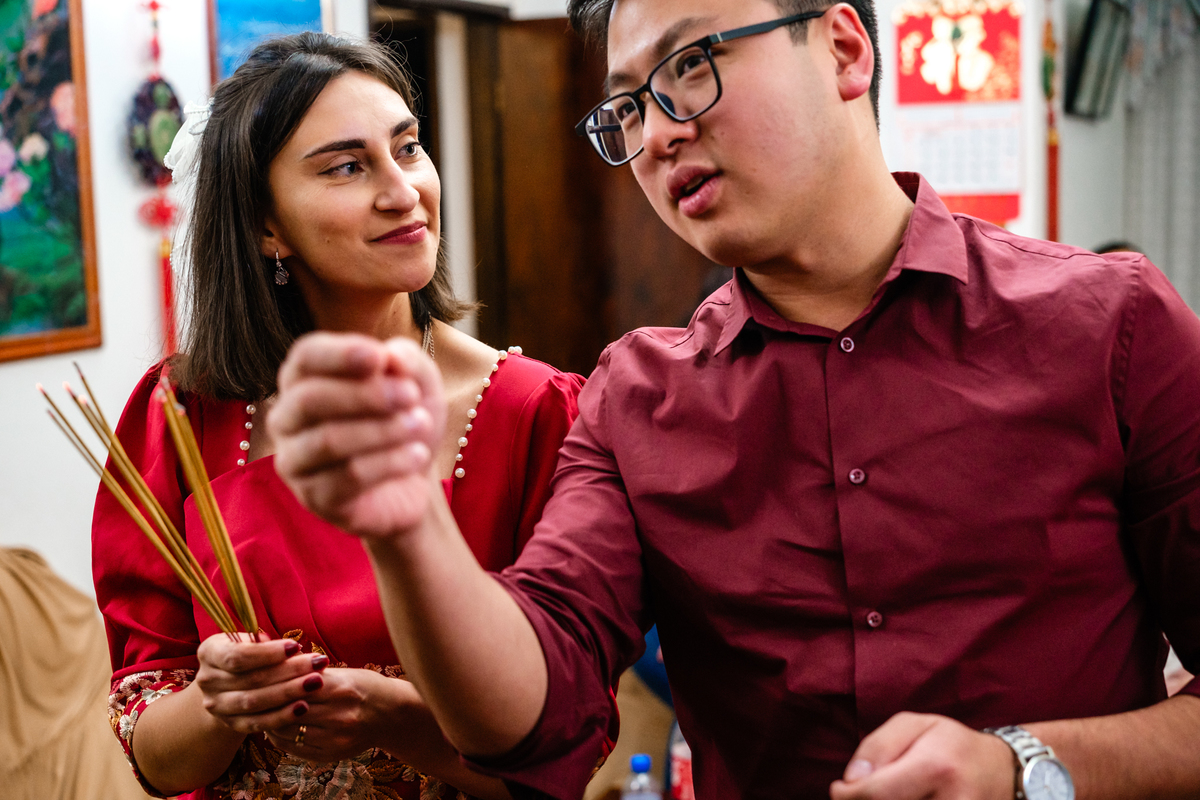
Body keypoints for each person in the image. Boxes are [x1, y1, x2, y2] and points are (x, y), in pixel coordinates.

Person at [267, 3, 1200, 800]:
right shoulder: (637, 398)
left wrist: (1024, 766)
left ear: (843, 49)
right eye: (630, 106)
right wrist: (407, 526)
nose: (658, 135)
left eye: (691, 64)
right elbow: (533, 705)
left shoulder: (1107, 324)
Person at [92, 32, 584, 800]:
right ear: (265, 225)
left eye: (408, 148)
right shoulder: (179, 417)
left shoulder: (534, 411)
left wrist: (401, 722)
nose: (403, 191)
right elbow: (154, 757)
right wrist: (217, 705)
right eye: (347, 167)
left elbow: (568, 760)